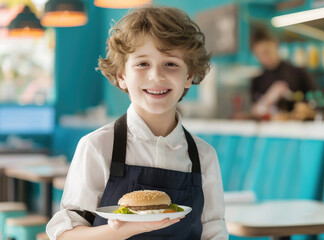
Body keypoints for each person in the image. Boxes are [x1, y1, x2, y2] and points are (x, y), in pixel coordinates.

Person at [46, 5, 228, 240]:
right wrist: (127, 229)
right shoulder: (98, 147)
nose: (156, 76)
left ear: (189, 76)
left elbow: (214, 232)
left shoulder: (203, 157)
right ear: (122, 76)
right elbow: (65, 235)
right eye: (142, 64)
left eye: (171, 64)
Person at [250, 28, 316, 118]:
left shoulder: (298, 73)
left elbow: (315, 104)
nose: (264, 57)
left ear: (275, 44)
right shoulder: (257, 80)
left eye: (266, 51)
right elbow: (254, 111)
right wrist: (269, 97)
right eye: (259, 55)